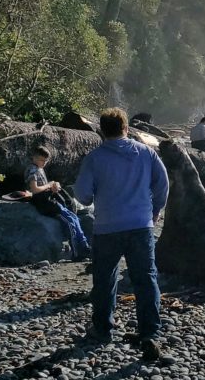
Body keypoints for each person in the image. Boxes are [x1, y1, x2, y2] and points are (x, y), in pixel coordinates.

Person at [74, 108, 169, 361]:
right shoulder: (147, 153)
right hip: (140, 225)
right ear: (126, 128)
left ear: (102, 131)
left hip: (107, 227)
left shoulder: (94, 158)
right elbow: (163, 184)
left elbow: (82, 195)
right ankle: (149, 333)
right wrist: (156, 210)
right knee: (146, 279)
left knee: (104, 279)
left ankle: (103, 329)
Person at [24, 146, 90, 261]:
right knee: (69, 221)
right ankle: (76, 252)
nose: (44, 163)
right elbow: (34, 189)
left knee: (74, 217)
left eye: (46, 161)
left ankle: (84, 246)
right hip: (43, 203)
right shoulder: (32, 169)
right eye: (41, 160)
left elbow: (44, 187)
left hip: (49, 199)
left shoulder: (39, 168)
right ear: (34, 157)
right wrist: (49, 185)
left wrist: (53, 187)